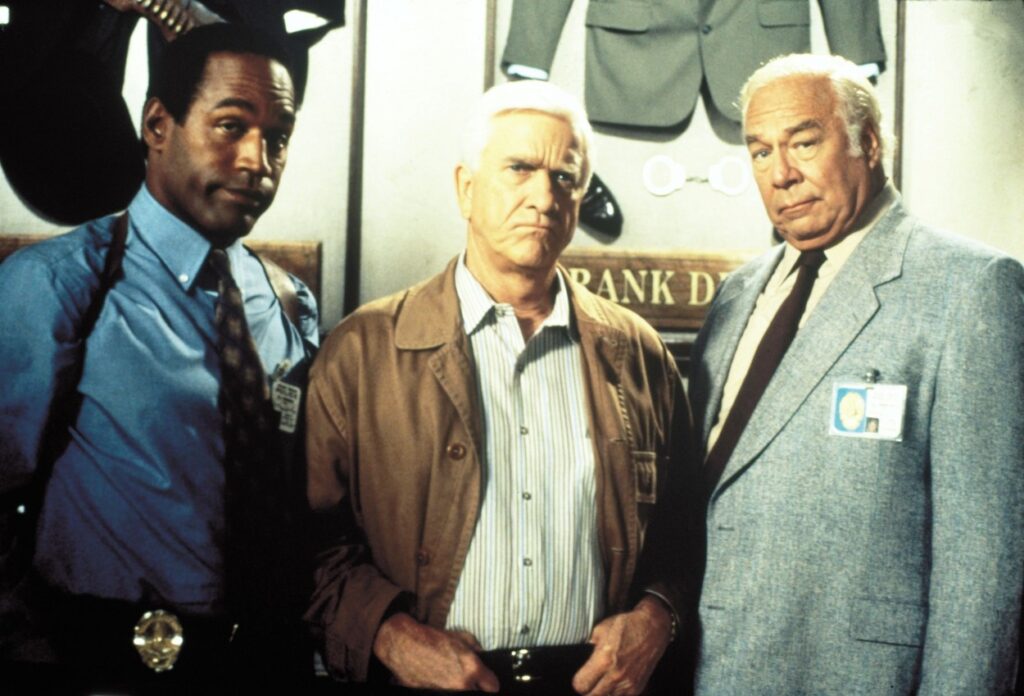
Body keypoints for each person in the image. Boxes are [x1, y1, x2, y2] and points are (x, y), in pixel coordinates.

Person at [305, 80, 696, 695]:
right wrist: (390, 636)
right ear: (466, 187)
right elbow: (307, 543)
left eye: (564, 177)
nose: (544, 197)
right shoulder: (362, 350)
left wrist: (657, 616)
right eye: (519, 168)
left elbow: (685, 533)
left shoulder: (639, 355)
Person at [688, 53, 1024, 694]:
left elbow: (984, 563)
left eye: (803, 143)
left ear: (868, 143)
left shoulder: (970, 288)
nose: (780, 174)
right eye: (760, 152)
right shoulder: (737, 294)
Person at [0, 23, 319, 691]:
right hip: (104, 660)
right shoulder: (58, 285)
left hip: (264, 663)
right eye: (231, 126)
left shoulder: (290, 303)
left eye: (278, 137)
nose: (258, 161)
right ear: (157, 125)